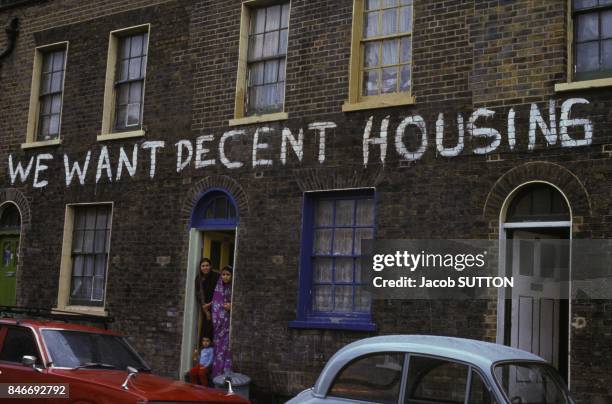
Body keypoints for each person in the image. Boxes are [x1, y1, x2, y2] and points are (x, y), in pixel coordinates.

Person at [211, 265, 233, 377]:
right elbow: (215, 304)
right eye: (223, 274)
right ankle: (216, 376)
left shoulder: (234, 288)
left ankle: (226, 375)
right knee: (218, 350)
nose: (225, 277)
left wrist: (232, 306)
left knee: (227, 350)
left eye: (228, 274)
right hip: (219, 326)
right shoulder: (218, 288)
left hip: (229, 325)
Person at [195, 258, 219, 340]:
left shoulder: (217, 276)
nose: (205, 268)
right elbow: (199, 295)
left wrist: (211, 304)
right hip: (205, 308)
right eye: (203, 266)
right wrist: (206, 311)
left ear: (211, 266)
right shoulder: (199, 279)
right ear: (200, 267)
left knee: (216, 329)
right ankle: (205, 351)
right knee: (205, 330)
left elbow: (220, 293)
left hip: (217, 306)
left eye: (207, 265)